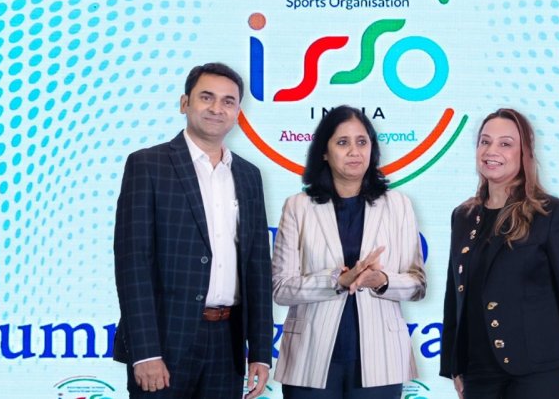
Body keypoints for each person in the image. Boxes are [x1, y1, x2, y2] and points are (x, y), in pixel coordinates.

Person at [113, 62, 273, 399]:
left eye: (228, 101)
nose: (217, 108)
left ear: (238, 112)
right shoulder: (148, 165)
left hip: (227, 344)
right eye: (206, 97)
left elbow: (257, 266)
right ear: (185, 103)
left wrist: (260, 351)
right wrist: (145, 351)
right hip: (164, 342)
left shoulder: (249, 175)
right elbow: (133, 263)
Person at [440, 108, 559, 399]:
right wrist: (454, 362)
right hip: (478, 370)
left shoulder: (554, 214)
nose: (492, 151)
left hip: (541, 371)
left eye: (505, 143)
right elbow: (455, 294)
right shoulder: (463, 216)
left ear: (524, 153)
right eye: (485, 141)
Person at [271, 105, 426, 399]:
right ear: (324, 152)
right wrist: (337, 281)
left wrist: (382, 280)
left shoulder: (399, 205)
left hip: (381, 360)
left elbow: (417, 285)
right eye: (343, 142)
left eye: (362, 142)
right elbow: (280, 289)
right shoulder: (298, 207)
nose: (354, 151)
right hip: (309, 358)